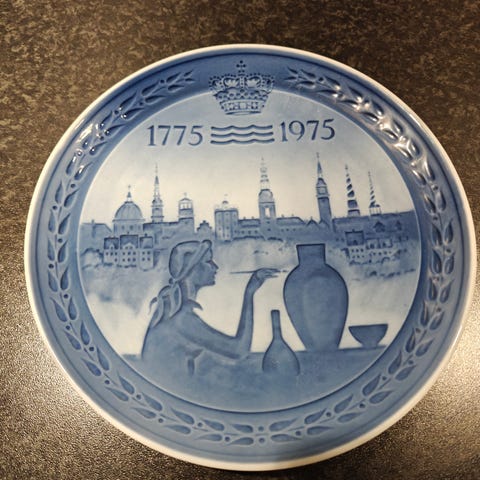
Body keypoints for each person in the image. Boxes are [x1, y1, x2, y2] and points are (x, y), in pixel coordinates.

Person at [141, 239, 277, 373]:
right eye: (208, 261)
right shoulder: (181, 319)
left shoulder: (171, 308)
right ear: (192, 270)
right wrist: (249, 292)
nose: (215, 267)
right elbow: (238, 350)